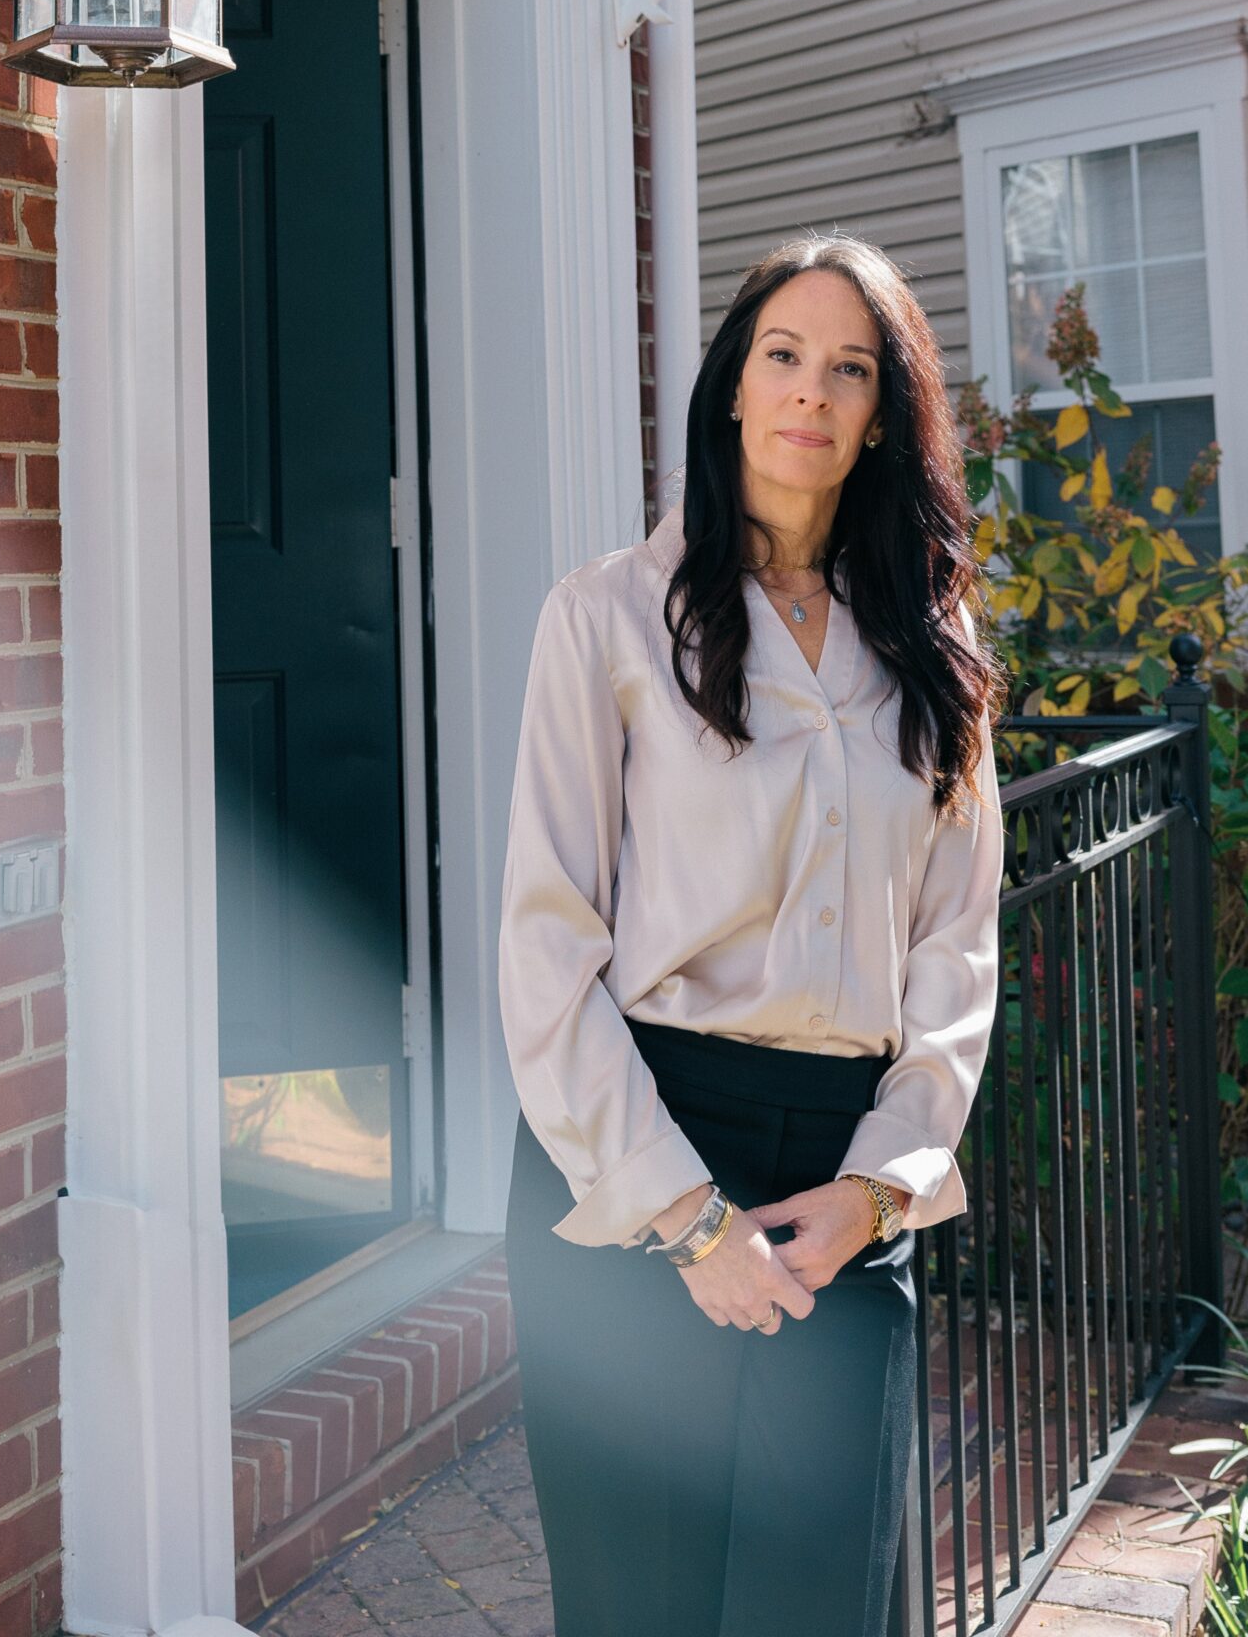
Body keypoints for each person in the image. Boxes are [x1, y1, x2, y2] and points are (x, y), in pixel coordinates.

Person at [499, 233, 1005, 1637]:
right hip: (639, 1155)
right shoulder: (605, 622)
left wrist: (881, 1188)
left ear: (882, 418)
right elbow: (546, 948)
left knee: (822, 1605)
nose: (812, 393)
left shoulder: (931, 644)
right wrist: (687, 1219)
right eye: (785, 355)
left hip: (846, 1176)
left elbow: (957, 955)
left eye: (853, 370)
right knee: (642, 1607)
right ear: (731, 387)